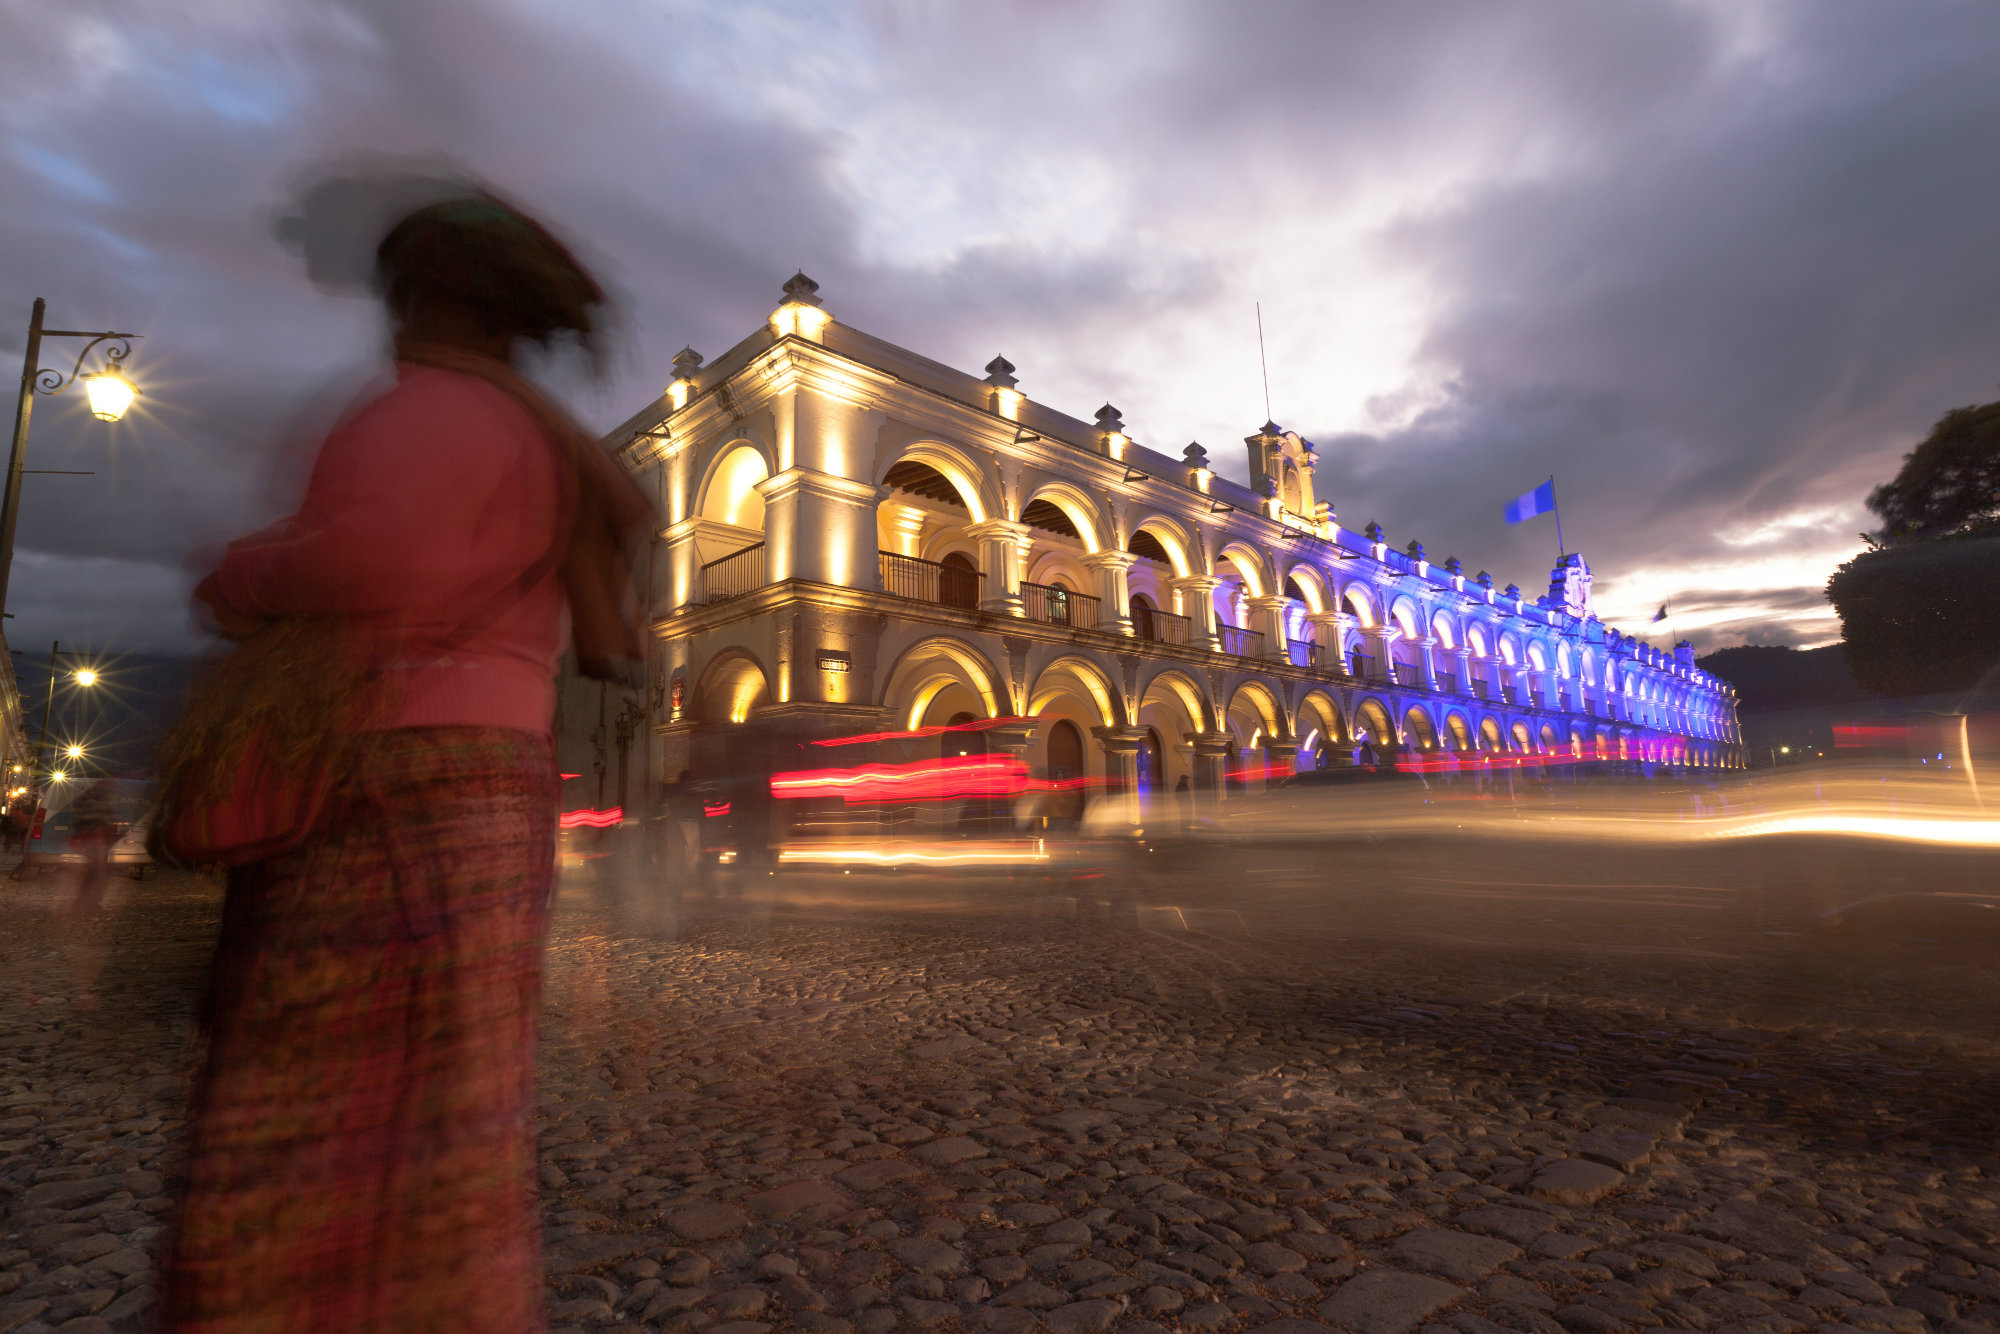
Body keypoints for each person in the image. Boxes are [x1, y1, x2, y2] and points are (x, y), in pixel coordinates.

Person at [158, 183, 650, 1334]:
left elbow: (379, 559)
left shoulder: (427, 409)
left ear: (429, 296)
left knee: (312, 1108)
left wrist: (241, 574)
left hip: (382, 779)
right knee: (449, 1109)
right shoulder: (543, 438)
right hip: (494, 782)